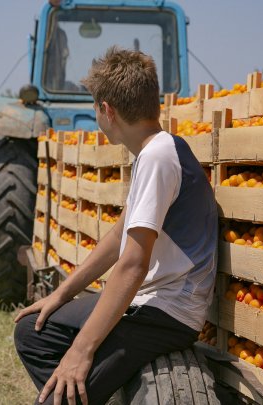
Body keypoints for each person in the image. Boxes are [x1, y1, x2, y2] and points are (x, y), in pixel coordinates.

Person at [14, 47, 218, 405]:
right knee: (33, 330)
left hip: (165, 314)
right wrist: (61, 295)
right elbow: (117, 236)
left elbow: (133, 264)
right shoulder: (154, 151)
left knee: (58, 395)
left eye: (96, 108)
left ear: (107, 110)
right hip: (149, 305)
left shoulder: (157, 157)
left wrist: (81, 352)